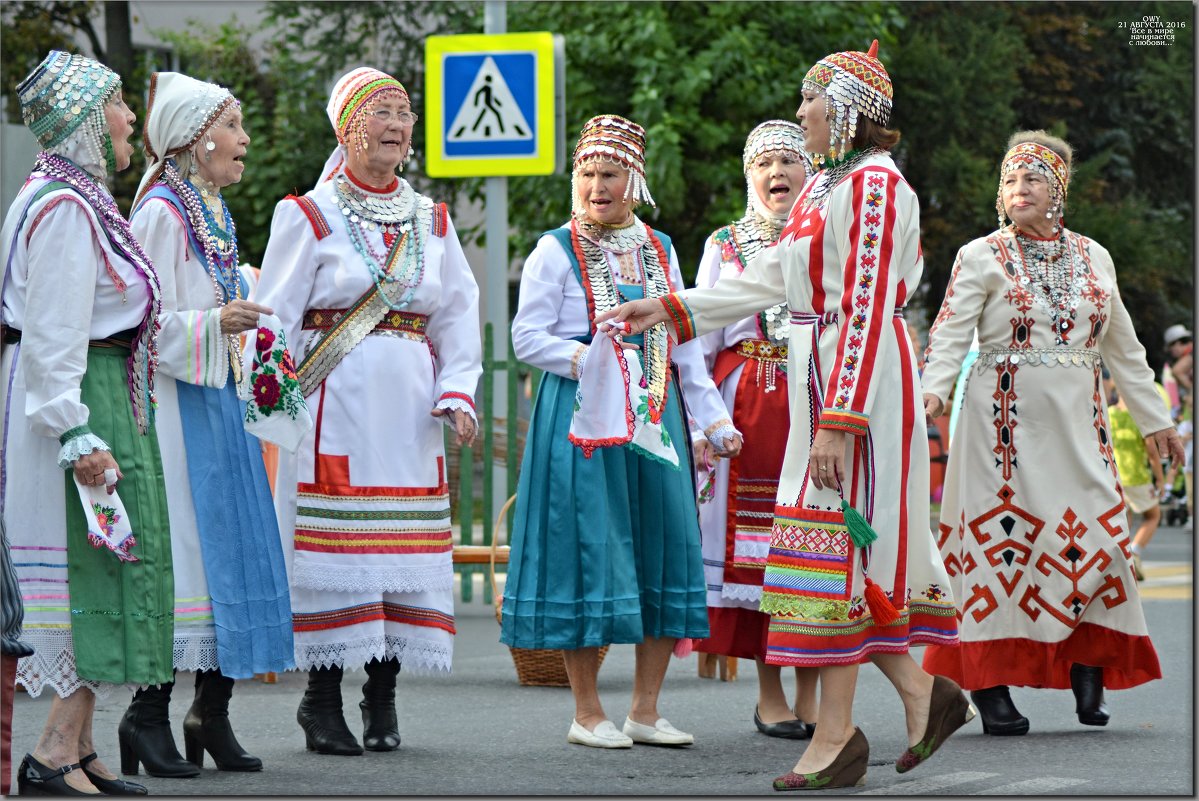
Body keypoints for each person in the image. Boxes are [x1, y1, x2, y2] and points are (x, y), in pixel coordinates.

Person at [599, 43, 969, 790]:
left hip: (852, 381)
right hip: (818, 369)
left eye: (810, 101)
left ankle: (843, 732)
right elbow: (768, 277)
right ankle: (914, 696)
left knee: (830, 543)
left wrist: (841, 418)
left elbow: (865, 307)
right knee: (827, 551)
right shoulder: (825, 186)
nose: (800, 115)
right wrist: (671, 308)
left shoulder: (874, 187)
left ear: (849, 110)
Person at [920, 131, 1184, 735]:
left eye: (1033, 179)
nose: (1019, 190)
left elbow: (1125, 348)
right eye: (1010, 180)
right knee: (998, 555)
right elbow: (949, 337)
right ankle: (989, 686)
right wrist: (932, 394)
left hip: (1079, 429)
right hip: (999, 435)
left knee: (1102, 541)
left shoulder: (1095, 257)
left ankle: (1088, 662)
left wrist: (1155, 421)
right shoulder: (980, 255)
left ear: (1058, 191)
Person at [255, 67, 482, 756]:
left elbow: (458, 318)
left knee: (397, 558)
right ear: (345, 126)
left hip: (410, 419)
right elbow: (273, 318)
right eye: (380, 110)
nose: (395, 124)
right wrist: (275, 406)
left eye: (404, 112)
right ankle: (320, 701)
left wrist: (458, 390)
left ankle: (380, 696)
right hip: (334, 411)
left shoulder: (432, 220)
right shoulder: (309, 214)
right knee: (335, 558)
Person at [501, 114, 741, 750]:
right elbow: (526, 335)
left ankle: (645, 708)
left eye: (609, 173)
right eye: (586, 173)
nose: (596, 185)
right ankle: (586, 713)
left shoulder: (660, 250)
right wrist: (590, 360)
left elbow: (682, 342)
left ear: (635, 180)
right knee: (592, 551)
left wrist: (714, 418)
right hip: (583, 415)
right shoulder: (555, 248)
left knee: (665, 542)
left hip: (655, 413)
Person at [117, 71, 296, 778]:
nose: (245, 138)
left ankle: (210, 713)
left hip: (217, 402)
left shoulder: (211, 208)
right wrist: (214, 321)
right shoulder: (161, 211)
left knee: (241, 547)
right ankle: (146, 715)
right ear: (194, 140)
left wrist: (241, 317)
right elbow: (138, 321)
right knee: (187, 557)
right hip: (175, 408)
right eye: (233, 125)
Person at [2, 50, 166, 796]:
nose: (130, 116)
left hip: (96, 388)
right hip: (77, 396)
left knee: (110, 559)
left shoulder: (76, 197)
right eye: (118, 103)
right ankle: (52, 748)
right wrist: (78, 435)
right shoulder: (65, 208)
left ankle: (82, 744)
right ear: (84, 119)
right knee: (99, 562)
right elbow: (53, 331)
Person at [689, 119, 819, 739]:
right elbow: (700, 337)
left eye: (789, 162)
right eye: (764, 164)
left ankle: (815, 688)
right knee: (761, 552)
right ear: (749, 176)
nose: (777, 175)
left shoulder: (828, 237)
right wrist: (703, 419)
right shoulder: (727, 242)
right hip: (751, 407)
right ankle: (771, 693)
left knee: (816, 544)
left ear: (809, 170)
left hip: (816, 400)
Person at [1104, 371, 1171, 580]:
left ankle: (1121, 559)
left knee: (1125, 520)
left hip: (1113, 476)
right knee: (1153, 515)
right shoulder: (1138, 417)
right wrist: (1160, 478)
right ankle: (1134, 552)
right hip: (1136, 476)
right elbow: (1151, 450)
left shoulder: (1109, 413)